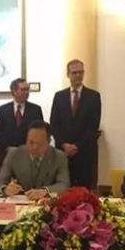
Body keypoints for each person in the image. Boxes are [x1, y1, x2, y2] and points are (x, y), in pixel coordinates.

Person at [50, 59, 101, 189]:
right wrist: (64, 144)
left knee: (84, 191)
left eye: (81, 72)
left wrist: (76, 146)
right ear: (68, 74)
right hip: (63, 153)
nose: (78, 75)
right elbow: (54, 123)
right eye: (74, 73)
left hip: (85, 152)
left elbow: (93, 126)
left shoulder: (94, 96)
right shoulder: (59, 96)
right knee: (63, 189)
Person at [0, 120, 70, 200]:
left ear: (49, 142)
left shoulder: (59, 157)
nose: (34, 147)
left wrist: (45, 191)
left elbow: (64, 184)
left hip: (46, 202)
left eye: (40, 143)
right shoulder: (14, 154)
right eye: (31, 142)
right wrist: (5, 190)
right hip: (20, 201)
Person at [0, 78, 44, 152]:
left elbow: (40, 131)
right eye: (23, 90)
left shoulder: (36, 109)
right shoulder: (3, 109)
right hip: (9, 151)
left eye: (27, 89)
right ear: (14, 92)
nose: (26, 92)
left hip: (30, 151)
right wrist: (6, 147)